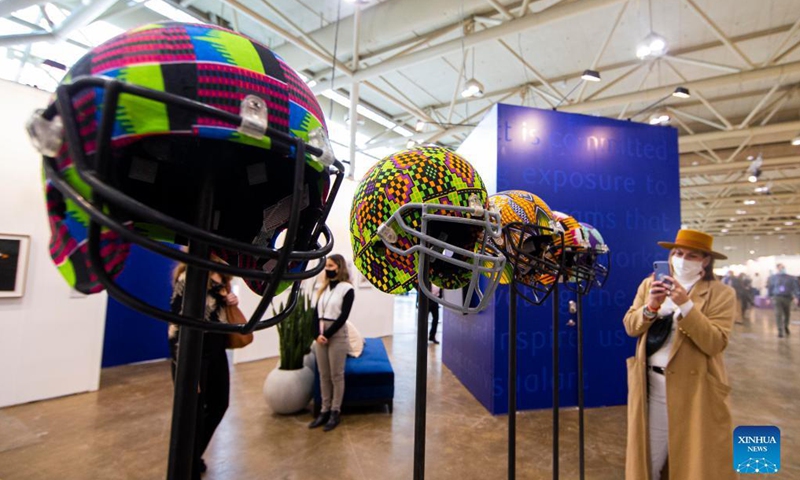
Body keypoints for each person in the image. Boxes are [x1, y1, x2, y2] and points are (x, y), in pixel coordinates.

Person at [622, 229, 736, 480]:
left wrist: (686, 305)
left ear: (705, 260)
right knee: (648, 459)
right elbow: (631, 326)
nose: (682, 259)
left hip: (695, 389)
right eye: (678, 253)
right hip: (652, 385)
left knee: (694, 461)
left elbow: (715, 343)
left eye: (692, 255)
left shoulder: (722, 294)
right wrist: (651, 307)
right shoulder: (650, 284)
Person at [169, 263, 239, 475]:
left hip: (217, 348)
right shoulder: (190, 275)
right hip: (194, 350)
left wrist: (232, 301)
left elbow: (220, 310)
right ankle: (186, 465)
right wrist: (184, 366)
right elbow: (176, 324)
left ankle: (193, 454)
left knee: (219, 404)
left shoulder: (223, 276)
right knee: (193, 413)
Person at [308, 254, 354, 432]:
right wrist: (316, 335)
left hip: (336, 334)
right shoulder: (323, 288)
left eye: (331, 265)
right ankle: (324, 410)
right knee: (323, 375)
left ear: (339, 267)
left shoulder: (347, 289)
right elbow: (315, 314)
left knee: (337, 375)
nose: (327, 268)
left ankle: (335, 412)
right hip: (320, 335)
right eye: (326, 265)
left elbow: (343, 316)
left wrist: (326, 334)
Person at [767, 263, 800, 338]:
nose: (781, 269)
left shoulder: (791, 278)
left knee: (787, 313)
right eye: (780, 267)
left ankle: (786, 326)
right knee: (778, 314)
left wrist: (796, 297)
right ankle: (780, 330)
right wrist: (768, 297)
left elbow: (795, 288)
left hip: (787, 297)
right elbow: (770, 288)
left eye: (783, 267)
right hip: (777, 297)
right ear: (777, 268)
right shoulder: (773, 278)